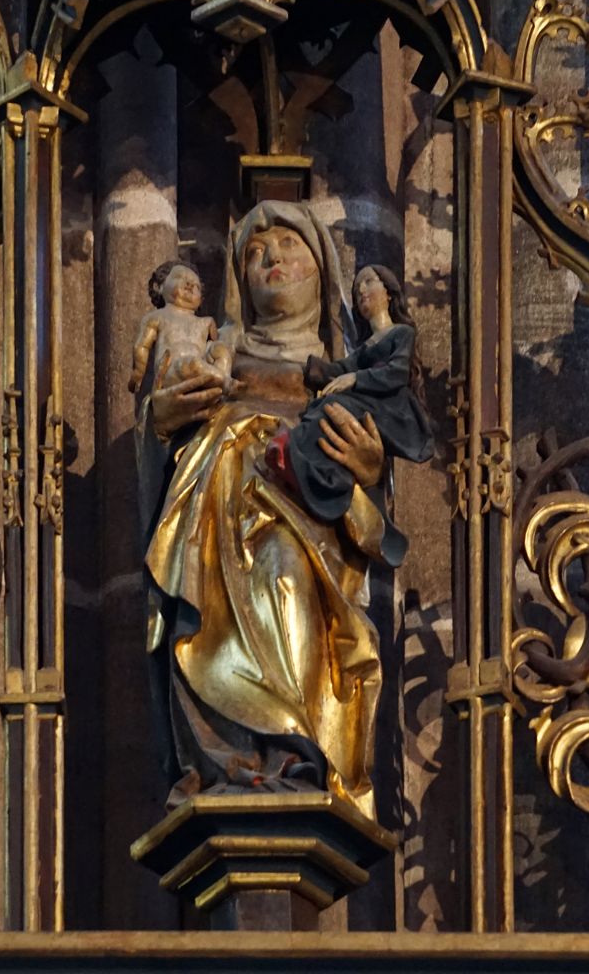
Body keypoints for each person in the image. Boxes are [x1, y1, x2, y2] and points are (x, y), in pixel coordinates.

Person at [138, 201, 392, 818]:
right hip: (211, 520)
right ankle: (226, 760)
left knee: (285, 576)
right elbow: (154, 481)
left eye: (289, 246)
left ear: (322, 270)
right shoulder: (216, 347)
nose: (272, 258)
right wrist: (159, 421)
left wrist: (368, 471)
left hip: (302, 521)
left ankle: (296, 752)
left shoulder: (349, 372)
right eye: (255, 252)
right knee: (200, 621)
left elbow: (376, 522)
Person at [266, 265, 433, 567]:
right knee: (319, 410)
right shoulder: (366, 345)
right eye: (357, 290)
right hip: (370, 403)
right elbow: (341, 370)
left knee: (332, 412)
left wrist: (355, 380)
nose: (362, 291)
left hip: (392, 410)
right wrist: (305, 369)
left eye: (369, 282)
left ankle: (321, 477)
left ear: (389, 292)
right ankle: (304, 464)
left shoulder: (401, 333)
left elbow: (395, 373)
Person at [126, 261, 232, 394]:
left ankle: (222, 382)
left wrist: (217, 349)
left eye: (196, 286)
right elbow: (142, 346)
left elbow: (212, 349)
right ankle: (225, 383)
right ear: (159, 287)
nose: (190, 284)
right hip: (171, 372)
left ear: (201, 299)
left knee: (221, 349)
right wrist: (138, 373)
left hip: (201, 369)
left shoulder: (206, 322)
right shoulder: (158, 317)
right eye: (180, 278)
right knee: (193, 364)